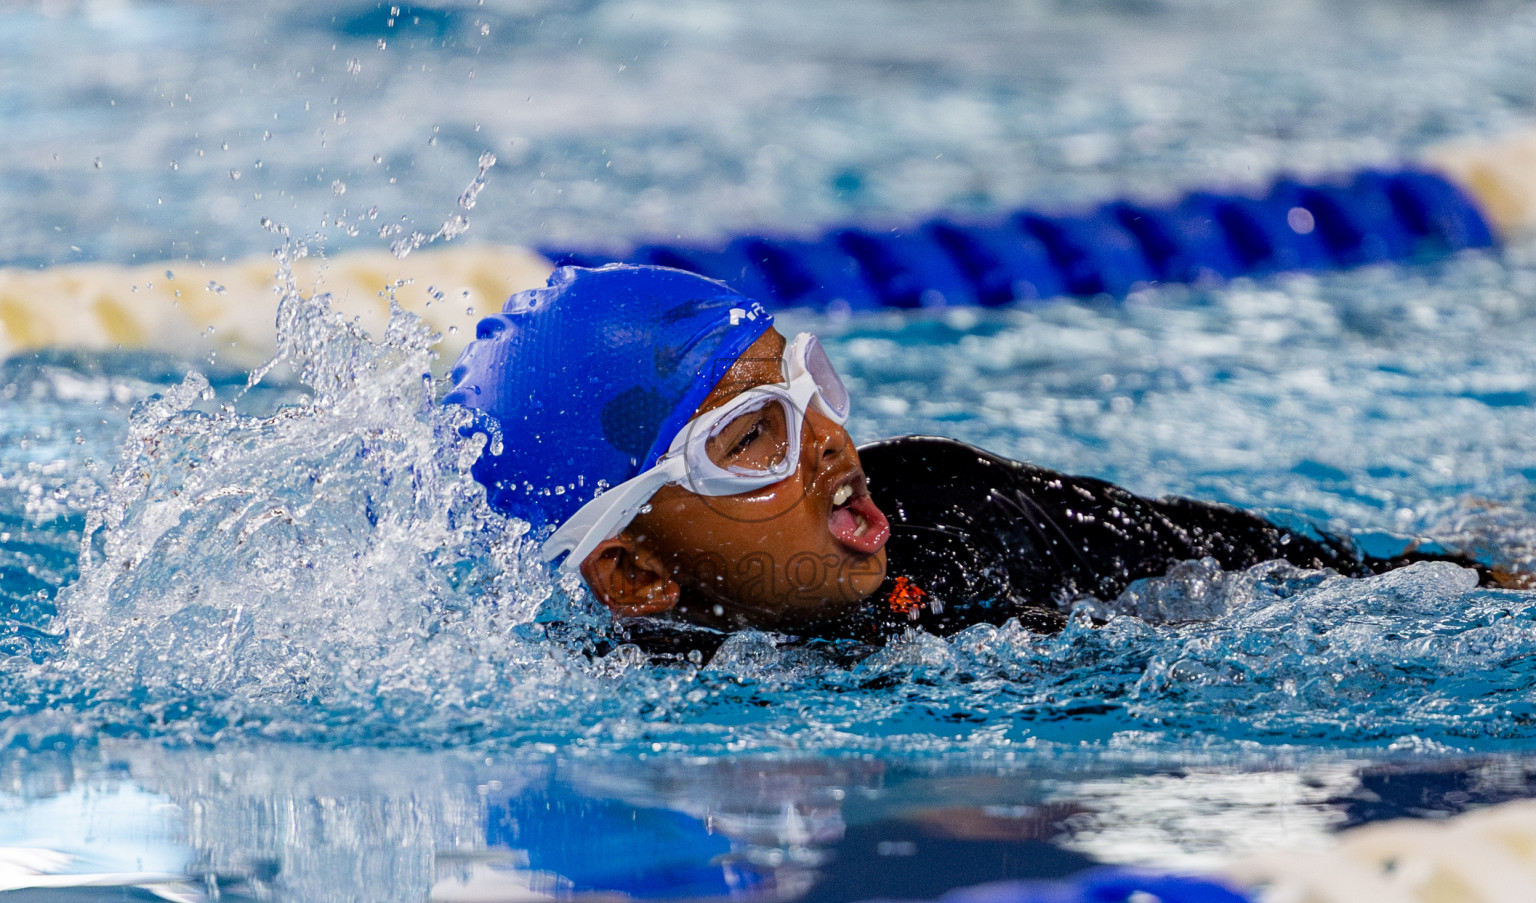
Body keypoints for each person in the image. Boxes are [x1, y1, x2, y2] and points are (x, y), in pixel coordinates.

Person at [445, 263, 1511, 650]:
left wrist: (1479, 586)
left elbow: (1236, 554)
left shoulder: (959, 510)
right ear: (635, 573)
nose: (826, 445)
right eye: (752, 436)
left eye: (809, 390)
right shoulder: (623, 703)